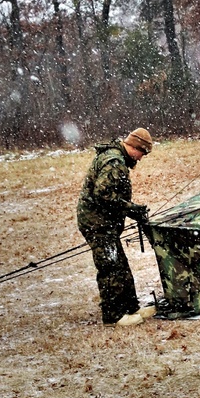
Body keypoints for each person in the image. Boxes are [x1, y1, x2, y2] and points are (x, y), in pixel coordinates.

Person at [76, 128, 153, 324]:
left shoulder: (116, 158)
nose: (141, 158)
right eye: (142, 153)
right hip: (97, 224)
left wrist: (129, 210)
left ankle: (130, 308)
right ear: (135, 147)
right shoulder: (114, 162)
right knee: (110, 267)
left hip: (105, 222)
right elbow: (103, 195)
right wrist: (131, 208)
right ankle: (113, 316)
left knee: (120, 266)